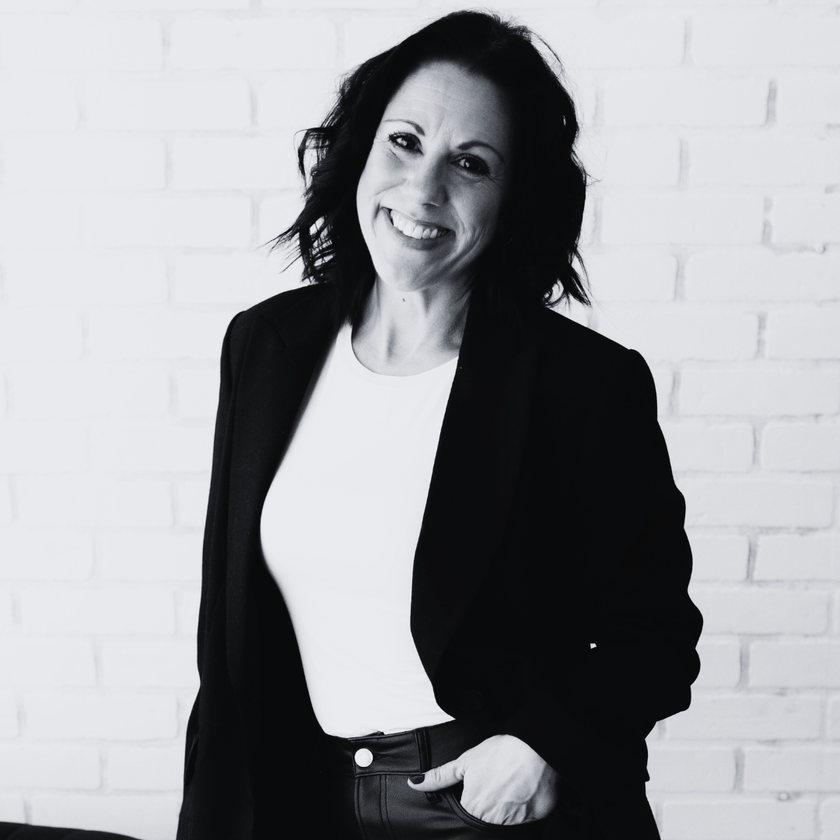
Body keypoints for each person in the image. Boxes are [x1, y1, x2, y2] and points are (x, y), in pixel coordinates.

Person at [176, 11, 702, 840]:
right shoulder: (266, 346)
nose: (423, 191)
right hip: (297, 803)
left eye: (471, 162)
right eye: (404, 142)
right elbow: (228, 644)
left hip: (486, 811)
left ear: (515, 196)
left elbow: (657, 635)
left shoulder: (583, 386)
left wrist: (541, 748)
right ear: (361, 148)